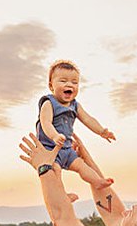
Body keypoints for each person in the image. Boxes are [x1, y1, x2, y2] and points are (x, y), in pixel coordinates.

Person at [36, 59, 117, 193]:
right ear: (51, 86)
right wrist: (54, 136)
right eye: (63, 81)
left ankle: (97, 181)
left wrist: (101, 131)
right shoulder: (49, 103)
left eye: (74, 82)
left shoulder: (75, 105)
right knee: (54, 170)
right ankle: (61, 195)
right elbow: (45, 122)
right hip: (51, 149)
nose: (70, 84)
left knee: (81, 165)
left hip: (67, 148)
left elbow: (87, 119)